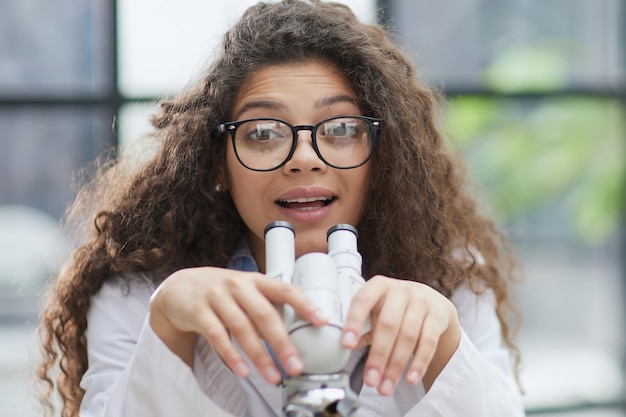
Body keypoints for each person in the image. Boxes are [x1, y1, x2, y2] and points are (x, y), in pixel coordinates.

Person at [37, 1, 525, 416]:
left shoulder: (453, 284)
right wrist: (167, 330)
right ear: (218, 165)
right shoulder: (136, 299)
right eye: (264, 134)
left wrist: (444, 348)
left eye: (340, 129)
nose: (304, 159)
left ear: (384, 158)